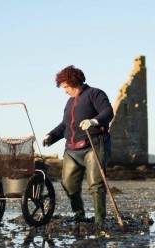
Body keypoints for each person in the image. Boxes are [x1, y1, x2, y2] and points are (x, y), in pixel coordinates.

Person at [43, 65, 114, 227]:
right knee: (68, 183)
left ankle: (99, 221)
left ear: (74, 81)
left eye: (66, 87)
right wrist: (51, 136)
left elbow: (108, 112)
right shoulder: (69, 102)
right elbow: (65, 125)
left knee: (96, 184)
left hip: (94, 145)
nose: (65, 90)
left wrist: (94, 121)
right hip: (72, 149)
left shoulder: (95, 93)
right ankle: (79, 214)